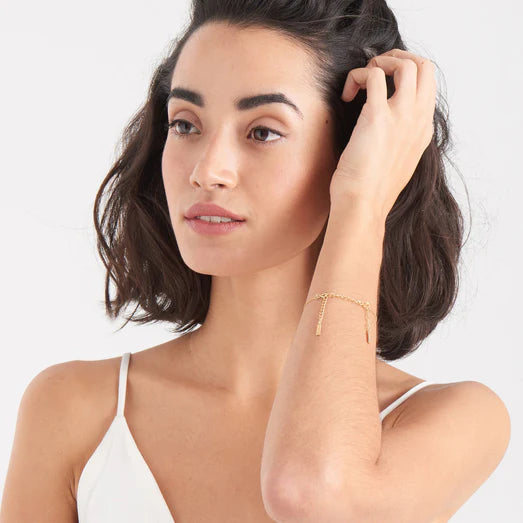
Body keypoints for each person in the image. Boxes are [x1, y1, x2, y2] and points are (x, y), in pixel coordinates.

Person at [0, 0, 511, 521]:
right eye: (186, 124)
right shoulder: (73, 410)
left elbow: (313, 495)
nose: (207, 171)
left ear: (357, 147)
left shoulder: (454, 421)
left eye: (262, 131)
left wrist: (363, 201)